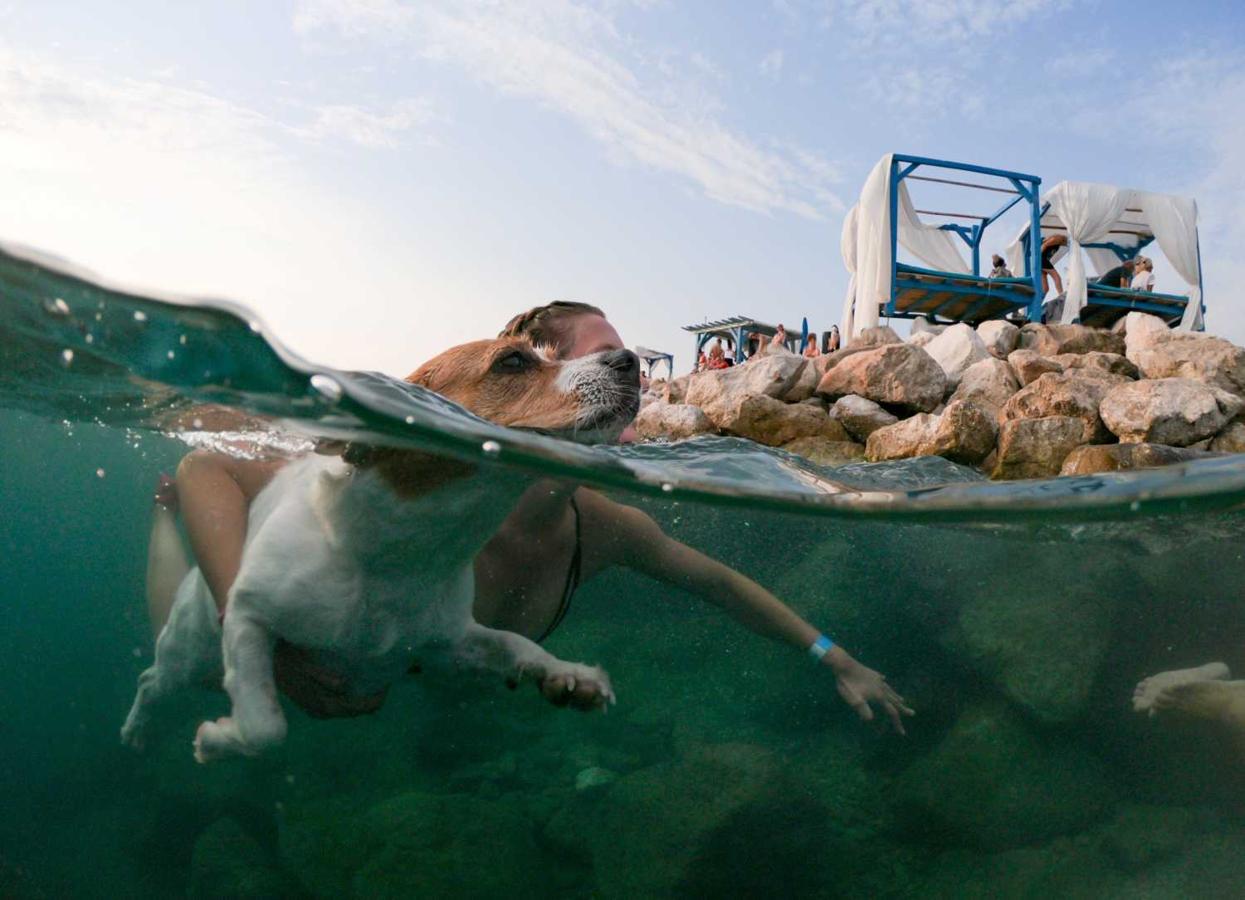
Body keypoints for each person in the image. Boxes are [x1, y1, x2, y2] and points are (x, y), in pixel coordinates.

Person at [149, 301, 913, 731]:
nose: (625, 368)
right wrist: (257, 644)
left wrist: (833, 656)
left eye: (625, 354)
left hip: (407, 698)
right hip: (305, 650)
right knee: (178, 661)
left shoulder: (600, 523)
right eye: (594, 354)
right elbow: (202, 465)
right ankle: (163, 540)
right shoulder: (413, 482)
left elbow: (719, 584)